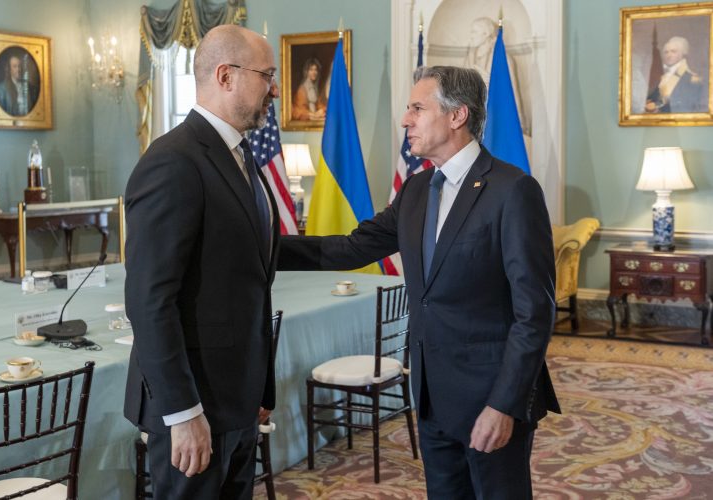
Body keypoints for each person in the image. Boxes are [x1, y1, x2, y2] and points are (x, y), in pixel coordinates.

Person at [278, 65, 560, 499]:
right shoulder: (415, 189)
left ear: (456, 116)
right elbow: (350, 248)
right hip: (431, 397)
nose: (405, 120)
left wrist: (503, 404)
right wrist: (260, 247)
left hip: (491, 398)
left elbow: (534, 313)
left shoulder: (512, 190)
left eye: (416, 108)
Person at [123, 24, 280, 500]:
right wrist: (183, 413)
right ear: (226, 76)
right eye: (266, 76)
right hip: (192, 405)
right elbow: (150, 302)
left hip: (236, 401)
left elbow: (253, 254)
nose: (274, 89)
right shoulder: (172, 160)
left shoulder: (239, 154)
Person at [645, 36, 705, 113]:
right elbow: (651, 99)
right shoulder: (664, 77)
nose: (669, 55)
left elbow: (685, 106)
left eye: (673, 51)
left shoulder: (692, 80)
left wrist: (657, 106)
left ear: (682, 53)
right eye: (666, 52)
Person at [0, 52, 38, 116]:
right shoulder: (1, 90)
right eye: (15, 66)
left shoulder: (30, 87)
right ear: (9, 69)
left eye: (19, 66)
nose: (18, 69)